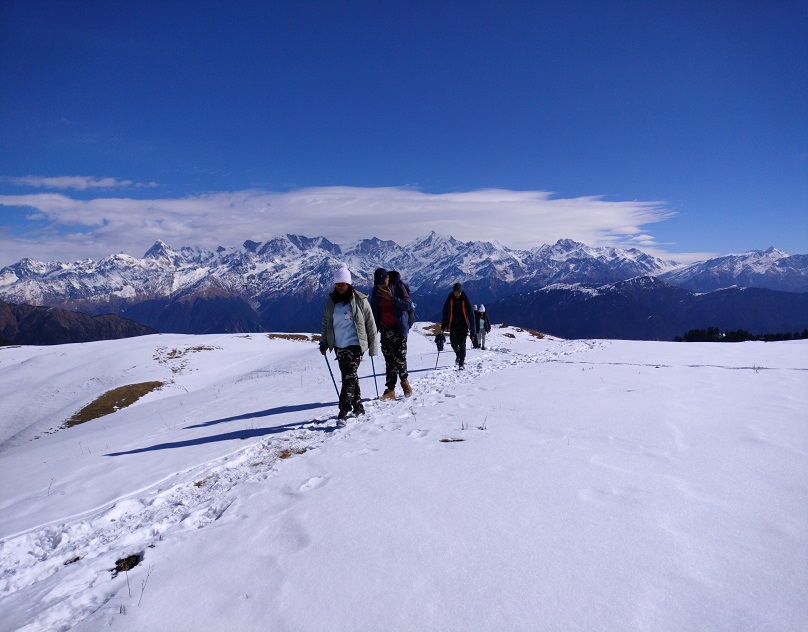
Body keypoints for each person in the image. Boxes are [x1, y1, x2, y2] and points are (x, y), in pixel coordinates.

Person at [320, 263, 378, 424]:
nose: (339, 287)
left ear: (349, 284)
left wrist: (373, 347)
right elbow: (326, 322)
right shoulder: (332, 301)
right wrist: (324, 342)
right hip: (338, 345)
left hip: (355, 345)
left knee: (348, 377)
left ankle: (343, 411)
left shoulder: (360, 300)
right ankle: (358, 406)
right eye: (337, 284)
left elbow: (370, 324)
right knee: (350, 376)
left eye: (342, 284)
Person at [370, 268, 412, 400]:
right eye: (379, 283)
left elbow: (407, 305)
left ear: (388, 278)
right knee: (389, 360)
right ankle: (390, 389)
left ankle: (404, 381)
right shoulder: (376, 291)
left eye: (383, 282)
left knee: (400, 357)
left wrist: (391, 298)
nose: (381, 285)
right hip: (385, 328)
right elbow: (373, 308)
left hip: (398, 328)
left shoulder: (398, 287)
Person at [441, 282, 476, 369]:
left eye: (458, 292)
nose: (457, 294)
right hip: (453, 324)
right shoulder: (450, 299)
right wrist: (443, 324)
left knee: (462, 343)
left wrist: (473, 329)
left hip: (463, 324)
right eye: (455, 292)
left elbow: (471, 314)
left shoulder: (465, 299)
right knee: (453, 344)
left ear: (461, 292)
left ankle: (461, 362)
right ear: (453, 292)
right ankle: (458, 355)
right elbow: (445, 312)